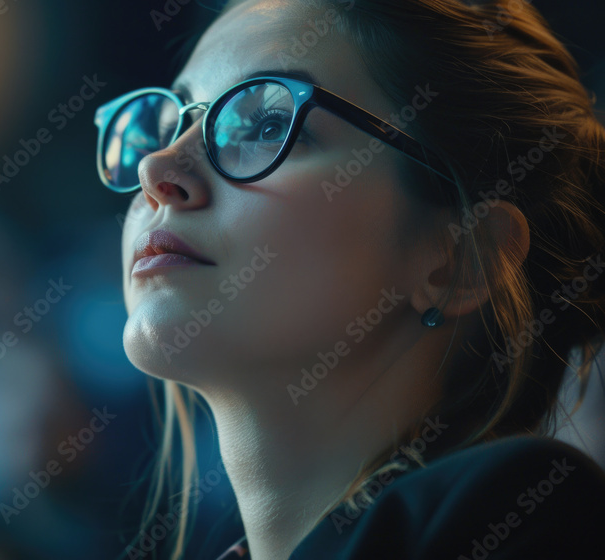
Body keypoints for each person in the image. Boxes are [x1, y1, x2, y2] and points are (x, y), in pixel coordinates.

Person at [94, 0, 605, 558]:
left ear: (462, 260)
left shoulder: (511, 515)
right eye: (169, 127)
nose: (156, 169)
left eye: (267, 123)